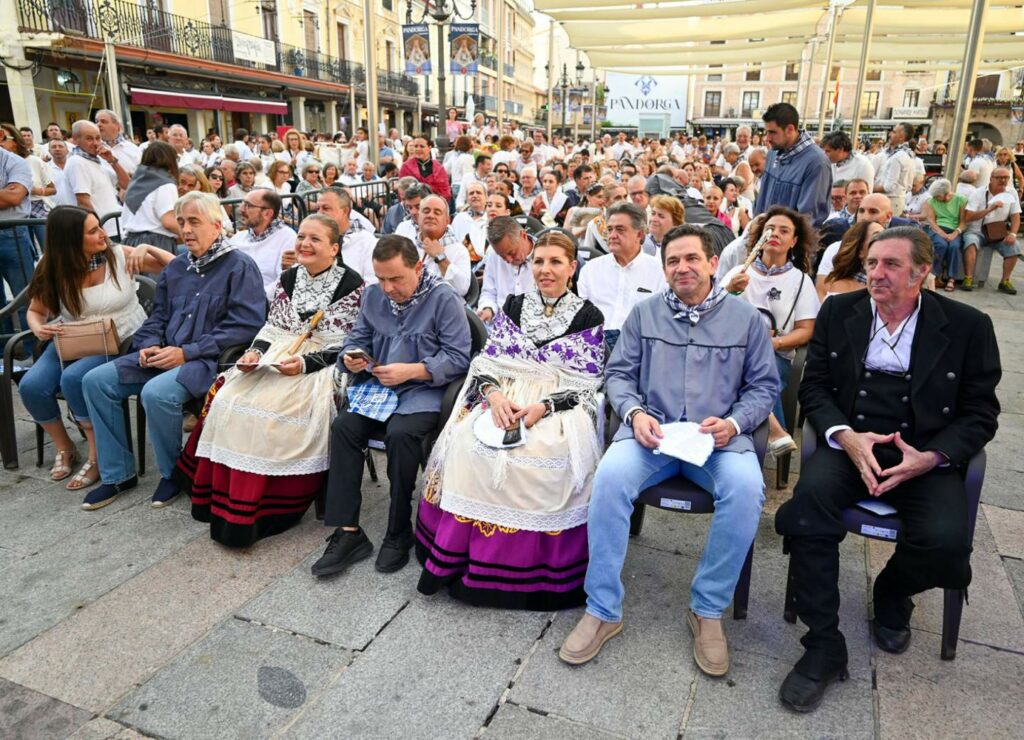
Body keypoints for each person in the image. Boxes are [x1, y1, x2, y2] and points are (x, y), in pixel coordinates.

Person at [775, 226, 1001, 713]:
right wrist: (843, 436)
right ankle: (823, 644)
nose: (876, 273)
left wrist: (933, 457)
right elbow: (814, 388)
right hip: (852, 443)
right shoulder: (841, 311)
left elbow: (981, 412)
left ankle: (892, 590)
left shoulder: (967, 326)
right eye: (872, 264)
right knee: (807, 509)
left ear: (923, 272)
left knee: (945, 543)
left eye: (891, 265)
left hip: (923, 453)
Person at [559, 224, 778, 675]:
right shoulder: (644, 314)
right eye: (673, 261)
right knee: (610, 479)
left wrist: (735, 422)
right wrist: (635, 413)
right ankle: (602, 608)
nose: (682, 268)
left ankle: (707, 608)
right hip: (651, 437)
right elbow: (618, 375)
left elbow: (764, 386)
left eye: (692, 258)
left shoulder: (748, 320)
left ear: (713, 263)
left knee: (745, 490)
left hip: (718, 441)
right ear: (664, 269)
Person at [416, 230, 605, 608]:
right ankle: (459, 559)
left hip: (555, 405)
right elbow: (486, 362)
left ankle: (527, 573)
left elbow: (589, 383)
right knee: (470, 443)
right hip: (504, 393)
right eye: (538, 261)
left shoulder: (589, 314)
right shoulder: (515, 304)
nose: (545, 270)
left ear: (572, 266)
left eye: (555, 262)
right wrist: (495, 394)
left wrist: (542, 408)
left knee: (539, 455)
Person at [175, 214, 364, 547]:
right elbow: (272, 327)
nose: (304, 244)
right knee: (231, 399)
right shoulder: (288, 277)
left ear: (334, 247)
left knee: (270, 414)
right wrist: (254, 354)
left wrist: (304, 363)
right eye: (301, 236)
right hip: (278, 354)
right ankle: (223, 504)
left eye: (315, 239)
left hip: (319, 364)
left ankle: (268, 509)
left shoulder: (352, 284)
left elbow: (348, 342)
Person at [80, 192, 265, 510]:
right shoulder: (177, 267)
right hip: (163, 355)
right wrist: (148, 343)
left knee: (156, 394)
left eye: (195, 221)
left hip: (208, 362)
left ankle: (173, 473)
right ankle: (118, 474)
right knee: (94, 381)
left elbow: (246, 326)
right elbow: (158, 316)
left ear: (217, 225)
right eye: (181, 222)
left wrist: (187, 352)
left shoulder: (240, 266)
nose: (186, 229)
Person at [311, 235, 471, 577]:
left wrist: (413, 370)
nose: (387, 288)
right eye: (381, 278)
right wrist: (351, 358)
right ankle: (348, 532)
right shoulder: (372, 295)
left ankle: (399, 531)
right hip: (380, 390)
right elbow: (357, 339)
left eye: (396, 278)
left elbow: (459, 359)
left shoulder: (444, 299)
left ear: (418, 266)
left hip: (425, 391)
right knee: (343, 429)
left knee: (401, 435)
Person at [20, 206, 171, 491]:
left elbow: (178, 268)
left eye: (99, 226)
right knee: (31, 385)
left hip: (121, 337)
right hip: (74, 337)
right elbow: (35, 311)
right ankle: (65, 447)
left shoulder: (118, 255)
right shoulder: (52, 265)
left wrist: (148, 247)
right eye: (93, 231)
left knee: (74, 378)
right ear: (70, 241)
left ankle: (97, 455)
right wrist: (38, 327)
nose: (104, 233)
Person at [730, 207, 820, 457]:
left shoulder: (800, 281)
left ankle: (751, 442)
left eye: (784, 231)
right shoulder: (738, 273)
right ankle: (774, 430)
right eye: (770, 229)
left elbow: (806, 330)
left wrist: (776, 343)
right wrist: (728, 290)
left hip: (775, 354)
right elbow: (710, 314)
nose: (775, 234)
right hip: (733, 350)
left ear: (793, 241)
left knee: (753, 366)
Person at [577, 202, 665, 351]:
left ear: (640, 234)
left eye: (620, 230)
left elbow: (660, 322)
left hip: (640, 349)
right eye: (610, 229)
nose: (612, 235)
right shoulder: (591, 270)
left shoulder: (659, 272)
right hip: (595, 349)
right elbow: (581, 319)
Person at [755, 103, 832, 228]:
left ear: (790, 129)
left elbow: (809, 219)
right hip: (765, 240)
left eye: (773, 132)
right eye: (766, 132)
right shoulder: (773, 153)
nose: (767, 138)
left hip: (791, 244)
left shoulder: (817, 162)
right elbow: (761, 202)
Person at [229, 189, 297, 300]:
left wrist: (254, 298)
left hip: (261, 304)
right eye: (242, 203)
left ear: (267, 213)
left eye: (248, 205)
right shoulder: (238, 238)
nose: (241, 209)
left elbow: (282, 282)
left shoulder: (287, 238)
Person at [962, 166, 1021, 294]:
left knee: (1015, 246)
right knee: (970, 242)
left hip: (997, 233)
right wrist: (990, 209)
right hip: (977, 230)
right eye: (999, 178)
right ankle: (968, 278)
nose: (1003, 180)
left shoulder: (1011, 193)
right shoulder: (978, 193)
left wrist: (1013, 233)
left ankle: (1005, 281)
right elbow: (968, 217)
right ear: (991, 179)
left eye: (1005, 178)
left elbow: (1015, 216)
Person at [64, 121, 128, 236]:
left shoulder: (100, 160)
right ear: (75, 139)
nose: (95, 143)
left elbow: (126, 184)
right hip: (102, 232)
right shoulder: (77, 162)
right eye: (89, 139)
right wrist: (99, 231)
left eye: (98, 138)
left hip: (114, 228)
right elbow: (83, 202)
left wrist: (112, 160)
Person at [120, 141, 181, 253]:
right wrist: (193, 234)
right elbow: (168, 221)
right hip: (156, 243)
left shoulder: (136, 181)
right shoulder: (165, 184)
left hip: (130, 241)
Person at [0, 134, 35, 332]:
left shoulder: (15, 162)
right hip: (11, 231)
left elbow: (15, 197)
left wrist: (11, 194)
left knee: (25, 295)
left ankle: (31, 347)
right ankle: (3, 350)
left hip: (12, 233)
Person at [476, 216, 535, 323]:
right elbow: (489, 292)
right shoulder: (493, 255)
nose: (508, 260)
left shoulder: (544, 256)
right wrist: (488, 309)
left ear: (523, 235)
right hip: (501, 325)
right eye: (502, 256)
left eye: (512, 253)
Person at [412, 194, 472, 297]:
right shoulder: (408, 245)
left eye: (437, 212)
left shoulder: (459, 250)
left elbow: (461, 289)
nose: (431, 216)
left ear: (447, 221)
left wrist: (440, 257)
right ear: (418, 217)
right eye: (426, 211)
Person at [920, 178, 967, 292]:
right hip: (938, 229)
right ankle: (933, 276)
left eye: (938, 196)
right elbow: (931, 221)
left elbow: (963, 222)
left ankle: (952, 278)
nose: (936, 198)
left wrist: (955, 233)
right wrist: (943, 234)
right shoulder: (931, 201)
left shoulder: (961, 200)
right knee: (941, 245)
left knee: (954, 246)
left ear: (946, 194)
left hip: (955, 229)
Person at [817, 220, 883, 301]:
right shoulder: (839, 294)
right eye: (877, 237)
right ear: (860, 251)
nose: (885, 242)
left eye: (886, 236)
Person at [877, 123, 916, 216]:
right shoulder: (908, 154)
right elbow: (909, 185)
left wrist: (870, 188)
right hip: (898, 199)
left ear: (901, 137)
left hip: (891, 201)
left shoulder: (898, 157)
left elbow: (888, 187)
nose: (890, 134)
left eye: (894, 132)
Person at [399, 135, 451, 202]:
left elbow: (445, 191)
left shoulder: (439, 168)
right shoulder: (406, 166)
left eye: (422, 146)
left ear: (429, 148)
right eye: (416, 146)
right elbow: (402, 190)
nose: (418, 149)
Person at [95, 110, 141, 176]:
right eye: (96, 121)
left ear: (117, 125)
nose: (98, 124)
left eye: (103, 121)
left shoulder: (133, 149)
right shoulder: (92, 149)